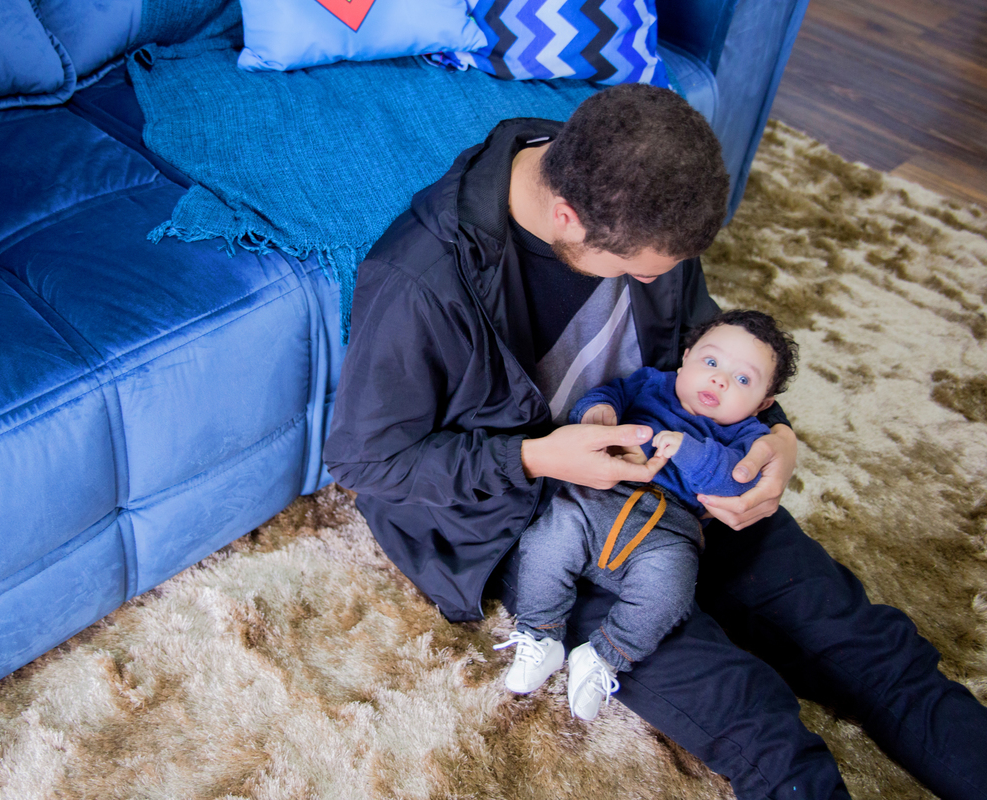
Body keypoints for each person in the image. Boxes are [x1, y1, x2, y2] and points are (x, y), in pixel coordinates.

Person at [323, 83, 987, 799]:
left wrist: (777, 434)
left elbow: (701, 340)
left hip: (683, 467)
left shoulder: (636, 188)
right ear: (566, 218)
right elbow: (367, 460)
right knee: (756, 723)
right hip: (547, 516)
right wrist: (539, 455)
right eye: (642, 269)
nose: (661, 281)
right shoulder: (419, 279)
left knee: (873, 649)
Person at [496, 309, 799, 726]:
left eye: (743, 380)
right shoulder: (651, 384)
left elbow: (733, 482)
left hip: (668, 530)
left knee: (670, 594)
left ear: (764, 404)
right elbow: (611, 394)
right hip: (596, 497)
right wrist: (596, 411)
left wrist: (689, 449)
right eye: (710, 363)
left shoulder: (747, 436)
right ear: (686, 358)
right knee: (545, 543)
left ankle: (605, 654)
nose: (720, 380)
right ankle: (540, 632)